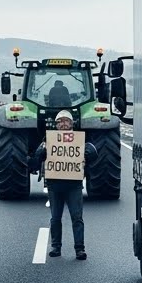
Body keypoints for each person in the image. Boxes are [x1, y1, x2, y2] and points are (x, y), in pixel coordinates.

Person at [30, 109, 97, 260]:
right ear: (56, 125)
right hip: (55, 185)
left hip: (74, 185)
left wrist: (87, 152)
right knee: (55, 217)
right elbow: (35, 160)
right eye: (60, 121)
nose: (64, 124)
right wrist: (42, 153)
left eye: (67, 121)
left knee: (77, 217)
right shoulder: (48, 141)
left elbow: (93, 152)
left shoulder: (79, 140)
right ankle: (56, 247)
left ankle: (79, 249)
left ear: (72, 123)